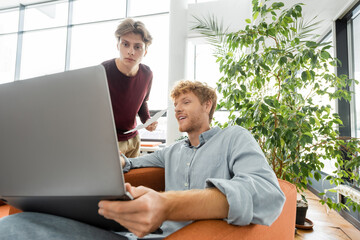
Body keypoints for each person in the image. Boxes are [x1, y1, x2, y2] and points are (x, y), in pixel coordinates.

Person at [0, 81, 285, 240]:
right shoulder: (172, 151)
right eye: (175, 105)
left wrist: (168, 204)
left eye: (186, 102)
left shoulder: (234, 137)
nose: (178, 110)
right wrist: (113, 159)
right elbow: (131, 165)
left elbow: (267, 194)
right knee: (20, 224)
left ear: (208, 105)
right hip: (140, 235)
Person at [102, 18, 158, 158]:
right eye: (125, 44)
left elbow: (142, 102)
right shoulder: (103, 70)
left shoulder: (147, 74)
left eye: (137, 47)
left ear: (145, 51)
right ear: (118, 46)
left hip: (133, 140)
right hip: (109, 141)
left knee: (133, 179)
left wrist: (147, 120)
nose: (131, 51)